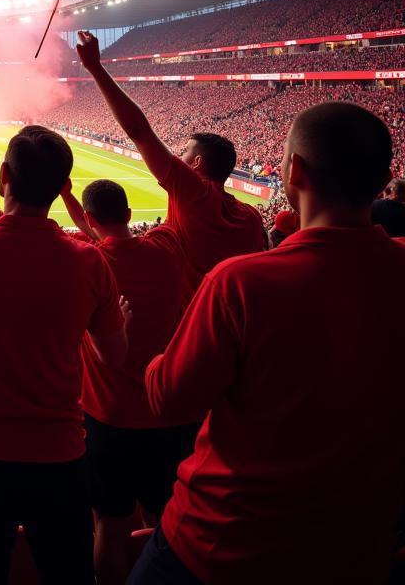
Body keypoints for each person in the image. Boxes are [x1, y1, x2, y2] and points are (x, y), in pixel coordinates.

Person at [129, 102, 405, 585]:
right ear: (383, 178)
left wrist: (147, 351)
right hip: (356, 551)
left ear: (294, 170)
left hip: (222, 544)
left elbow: (167, 400)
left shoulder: (241, 282)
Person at [0, 125, 130, 585]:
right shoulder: (90, 261)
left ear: (3, 175)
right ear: (61, 188)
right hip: (61, 457)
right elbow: (115, 356)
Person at [75, 30, 265, 291]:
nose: (178, 154)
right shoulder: (252, 217)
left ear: (197, 163)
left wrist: (95, 68)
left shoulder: (195, 195)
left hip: (186, 319)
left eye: (184, 151)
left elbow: (139, 132)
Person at [76, 180, 197, 585]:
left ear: (90, 220)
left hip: (107, 421)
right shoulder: (167, 248)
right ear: (129, 215)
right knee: (166, 519)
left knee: (108, 527)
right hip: (166, 411)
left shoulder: (87, 264)